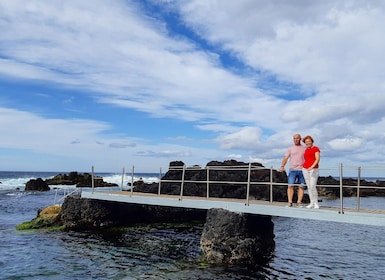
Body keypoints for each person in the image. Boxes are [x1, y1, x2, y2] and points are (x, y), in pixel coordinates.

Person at [279, 134, 306, 207]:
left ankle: (299, 202)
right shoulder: (290, 148)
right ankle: (290, 202)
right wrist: (282, 166)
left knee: (301, 186)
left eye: (297, 138)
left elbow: (308, 158)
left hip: (302, 170)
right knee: (290, 186)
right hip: (292, 170)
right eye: (294, 138)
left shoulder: (305, 148)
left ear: (300, 139)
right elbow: (286, 158)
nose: (295, 140)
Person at [301, 135, 321, 209]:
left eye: (309, 141)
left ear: (312, 141)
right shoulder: (306, 149)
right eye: (306, 142)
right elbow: (306, 159)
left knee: (313, 186)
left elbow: (317, 159)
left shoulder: (316, 148)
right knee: (309, 187)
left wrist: (312, 166)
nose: (308, 143)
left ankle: (316, 203)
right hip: (305, 169)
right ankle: (311, 202)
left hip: (313, 169)